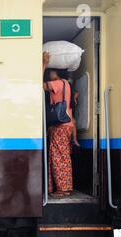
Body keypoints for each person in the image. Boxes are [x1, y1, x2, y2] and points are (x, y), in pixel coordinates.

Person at [43, 52, 77, 198]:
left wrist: (43, 63)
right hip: (65, 126)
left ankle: (63, 189)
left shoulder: (57, 83)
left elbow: (39, 85)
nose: (49, 74)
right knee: (61, 156)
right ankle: (62, 187)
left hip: (61, 127)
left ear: (56, 71)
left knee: (59, 157)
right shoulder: (66, 84)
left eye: (50, 71)